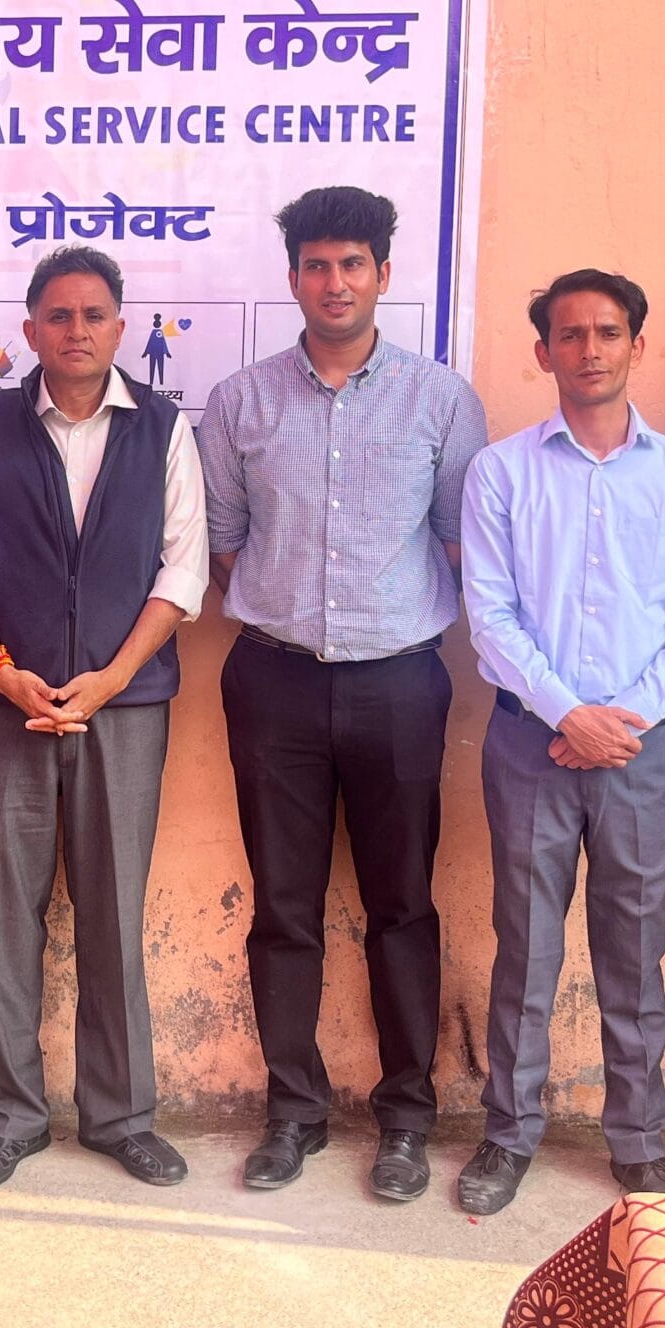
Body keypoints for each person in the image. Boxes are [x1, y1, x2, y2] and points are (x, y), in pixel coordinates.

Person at [198, 186, 488, 1199]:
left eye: (352, 264)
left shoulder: (440, 401)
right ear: (292, 279)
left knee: (401, 904)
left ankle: (405, 1118)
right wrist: (294, 613)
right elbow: (223, 544)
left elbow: (461, 542)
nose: (334, 283)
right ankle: (294, 1112)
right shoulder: (239, 402)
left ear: (383, 275)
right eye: (316, 265)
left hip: (401, 682)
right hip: (272, 680)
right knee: (283, 908)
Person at [0, 246, 210, 1192]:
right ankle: (8, 1120)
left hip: (122, 709)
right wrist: (0, 668)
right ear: (30, 330)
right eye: (58, 315)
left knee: (113, 910)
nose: (77, 330)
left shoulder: (163, 428)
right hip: (2, 706)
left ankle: (121, 1116)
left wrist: (112, 678)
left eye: (95, 315)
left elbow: (184, 565)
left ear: (121, 328)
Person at [457, 270, 665, 1215]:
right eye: (569, 335)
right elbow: (489, 615)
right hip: (531, 744)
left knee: (635, 949)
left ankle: (639, 1144)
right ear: (543, 354)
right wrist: (568, 714)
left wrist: (619, 722)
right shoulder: (500, 471)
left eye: (608, 332)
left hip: (643, 750)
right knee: (525, 949)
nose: (590, 349)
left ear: (637, 346)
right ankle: (507, 1135)